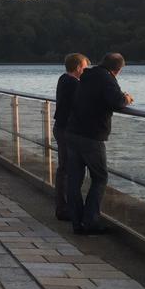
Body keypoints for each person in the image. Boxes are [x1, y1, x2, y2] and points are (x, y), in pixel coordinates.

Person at [65, 52, 134, 235]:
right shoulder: (107, 79)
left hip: (72, 132)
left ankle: (77, 222)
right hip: (91, 136)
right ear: (117, 69)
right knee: (100, 178)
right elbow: (117, 102)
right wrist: (126, 98)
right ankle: (91, 221)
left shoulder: (87, 75)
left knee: (74, 180)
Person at [53, 53, 89, 220]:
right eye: (85, 67)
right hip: (66, 129)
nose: (86, 70)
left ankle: (63, 206)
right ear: (78, 68)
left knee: (64, 168)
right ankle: (65, 208)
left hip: (60, 127)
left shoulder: (63, 79)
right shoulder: (73, 84)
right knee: (67, 169)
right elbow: (86, 102)